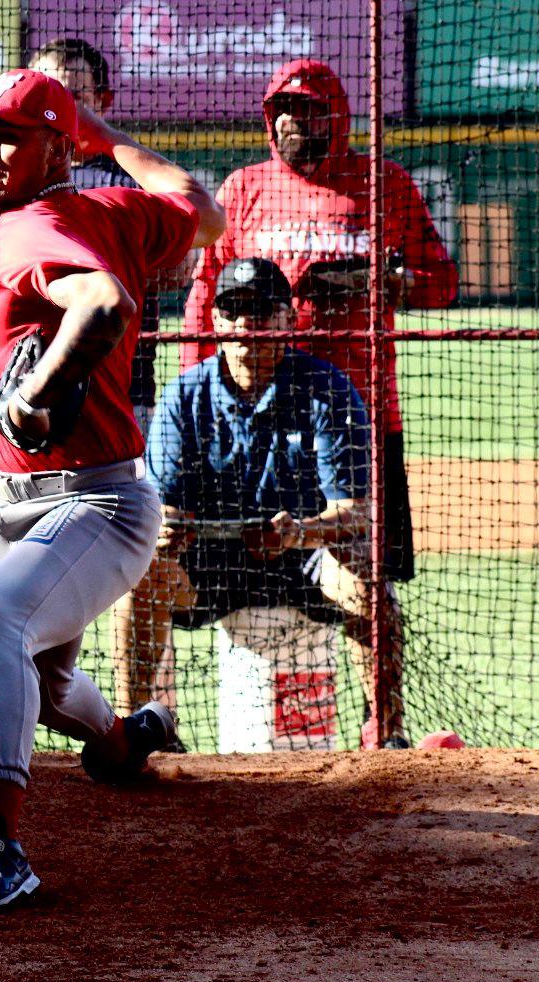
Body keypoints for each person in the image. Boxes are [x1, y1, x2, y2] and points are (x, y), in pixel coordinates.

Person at [0, 68, 225, 914]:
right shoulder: (118, 212)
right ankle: (120, 744)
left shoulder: (29, 228)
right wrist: (111, 141)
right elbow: (202, 210)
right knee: (45, 672)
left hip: (94, 503)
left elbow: (99, 301)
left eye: (12, 135)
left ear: (56, 148)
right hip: (15, 496)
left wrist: (40, 387)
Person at [181, 58, 457, 658]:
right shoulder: (243, 188)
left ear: (339, 115)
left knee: (365, 572)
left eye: (309, 109)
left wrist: (383, 284)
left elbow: (441, 282)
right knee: (205, 561)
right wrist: (194, 395)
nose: (294, 121)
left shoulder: (386, 183)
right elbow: (204, 302)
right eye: (283, 109)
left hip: (358, 412)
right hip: (251, 419)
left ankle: (383, 731)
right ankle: (154, 720)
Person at [114, 257, 407, 747]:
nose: (246, 324)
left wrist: (301, 532)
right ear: (215, 321)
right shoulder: (183, 398)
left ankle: (386, 731)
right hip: (212, 564)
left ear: (290, 320)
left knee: (366, 576)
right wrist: (167, 529)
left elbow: (360, 510)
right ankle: (131, 732)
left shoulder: (328, 389)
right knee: (139, 576)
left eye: (262, 311)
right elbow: (166, 510)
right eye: (233, 310)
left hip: (303, 556)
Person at [0, 38, 187, 440]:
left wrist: (77, 277)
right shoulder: (4, 185)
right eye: (45, 85)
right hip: (19, 388)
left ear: (102, 101)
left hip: (122, 391)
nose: (59, 99)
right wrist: (54, 269)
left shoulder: (127, 178)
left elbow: (178, 272)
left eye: (74, 94)